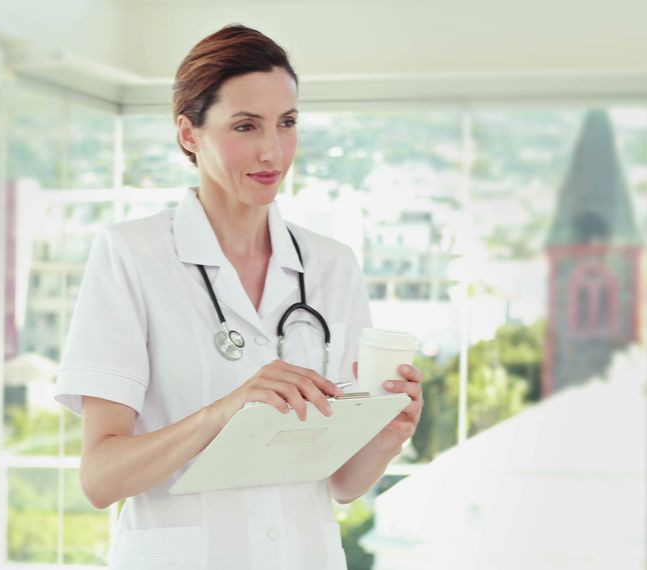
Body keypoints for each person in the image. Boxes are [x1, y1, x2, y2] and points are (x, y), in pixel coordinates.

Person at [55, 24, 424, 570]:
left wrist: (389, 434)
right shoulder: (132, 255)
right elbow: (101, 478)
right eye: (246, 126)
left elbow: (344, 484)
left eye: (287, 123)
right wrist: (224, 413)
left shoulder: (332, 265)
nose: (272, 151)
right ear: (189, 133)